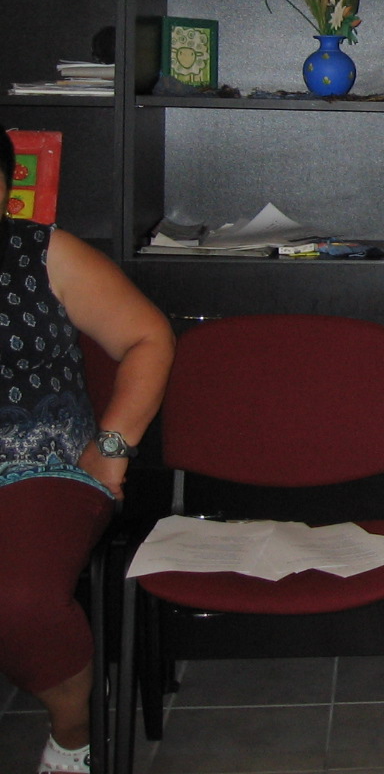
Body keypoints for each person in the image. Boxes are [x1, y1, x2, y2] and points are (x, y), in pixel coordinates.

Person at [0, 128, 173, 774]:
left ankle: (75, 731)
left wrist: (113, 446)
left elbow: (147, 337)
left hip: (41, 465)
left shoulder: (43, 254)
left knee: (18, 599)